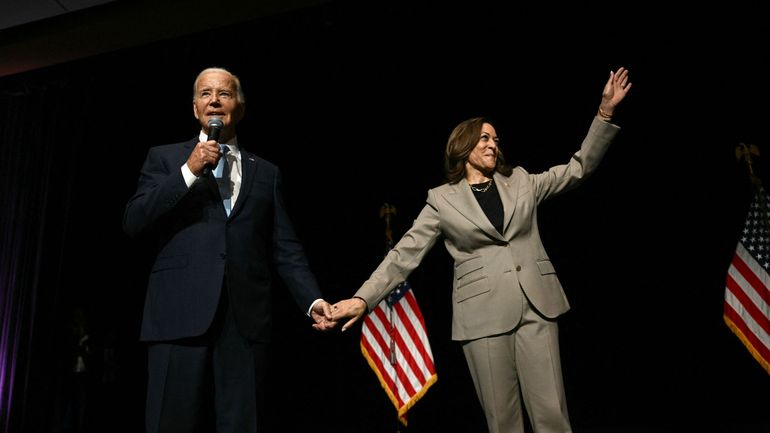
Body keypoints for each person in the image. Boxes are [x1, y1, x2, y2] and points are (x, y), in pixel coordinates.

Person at [331, 67, 632, 433]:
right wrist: (363, 300)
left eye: (496, 139)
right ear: (463, 145)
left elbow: (578, 169)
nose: (493, 144)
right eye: (484, 138)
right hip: (483, 317)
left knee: (552, 416)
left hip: (537, 306)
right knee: (504, 422)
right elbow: (403, 256)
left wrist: (604, 114)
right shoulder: (441, 201)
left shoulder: (521, 181)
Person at [123, 66, 336, 433]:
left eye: (224, 94)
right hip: (178, 315)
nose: (214, 101)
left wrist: (312, 301)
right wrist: (189, 170)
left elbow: (284, 247)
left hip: (244, 320)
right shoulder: (164, 158)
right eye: (205, 94)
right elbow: (134, 220)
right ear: (195, 109)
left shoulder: (266, 172)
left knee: (243, 424)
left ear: (239, 106)